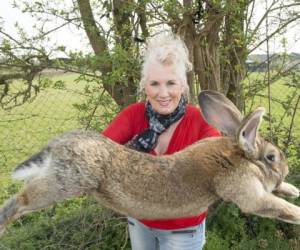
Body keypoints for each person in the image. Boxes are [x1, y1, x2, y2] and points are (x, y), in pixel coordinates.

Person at [102, 33, 220, 250]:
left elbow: (219, 165)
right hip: (140, 220)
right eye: (154, 83)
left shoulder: (200, 121)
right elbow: (97, 153)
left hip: (183, 229)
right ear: (144, 86)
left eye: (171, 83)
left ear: (183, 86)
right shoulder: (133, 115)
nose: (162, 93)